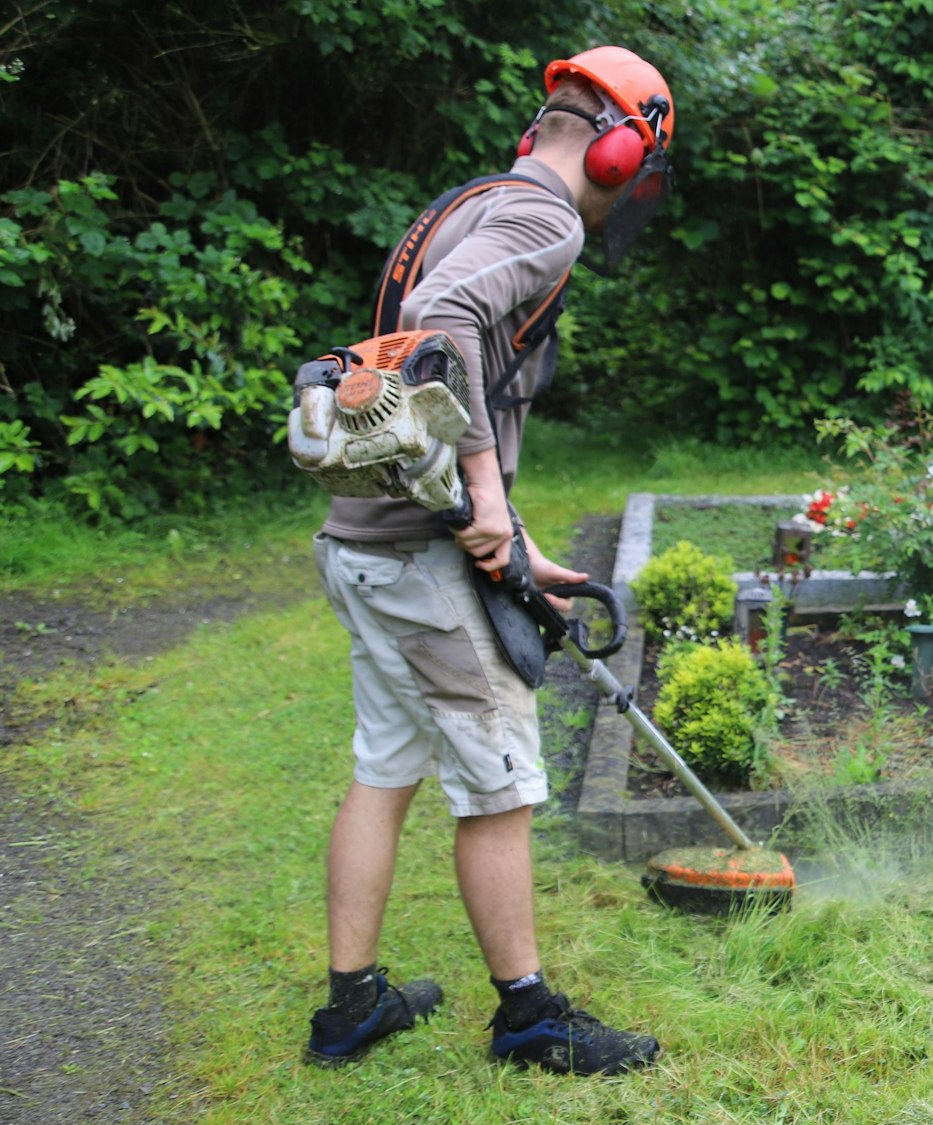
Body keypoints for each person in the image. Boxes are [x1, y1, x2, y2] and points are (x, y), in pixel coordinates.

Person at [302, 46, 674, 1076]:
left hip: (363, 543)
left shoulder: (466, 201)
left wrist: (520, 537)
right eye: (638, 171)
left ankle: (352, 1007)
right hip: (418, 561)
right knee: (501, 786)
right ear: (614, 152)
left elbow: (417, 370)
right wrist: (487, 491)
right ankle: (530, 1021)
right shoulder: (545, 219)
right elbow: (446, 321)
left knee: (385, 767)